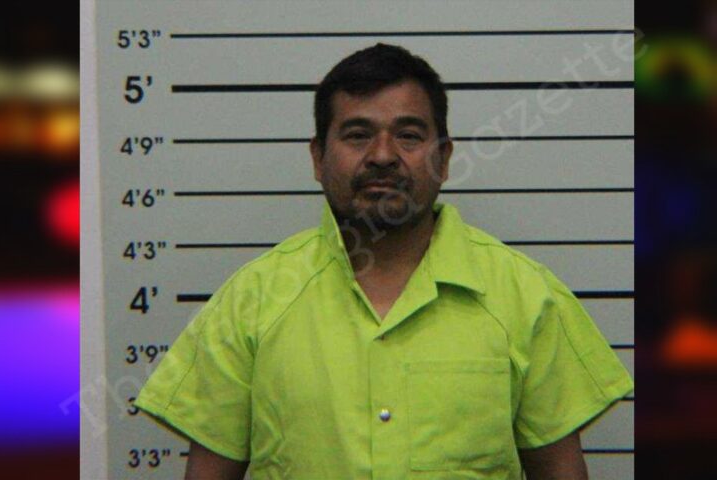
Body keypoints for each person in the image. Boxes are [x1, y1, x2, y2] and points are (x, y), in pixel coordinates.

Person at [134, 43, 634, 480]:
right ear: (317, 158)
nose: (382, 155)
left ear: (444, 158)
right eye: (357, 134)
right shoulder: (251, 301)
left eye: (409, 135)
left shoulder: (525, 297)